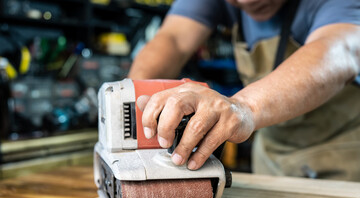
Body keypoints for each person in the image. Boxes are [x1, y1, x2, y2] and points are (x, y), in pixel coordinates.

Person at [128, 0, 360, 181]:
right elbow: (174, 39)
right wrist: (128, 98)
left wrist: (244, 107)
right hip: (272, 158)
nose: (248, 2)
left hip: (344, 155)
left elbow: (341, 50)